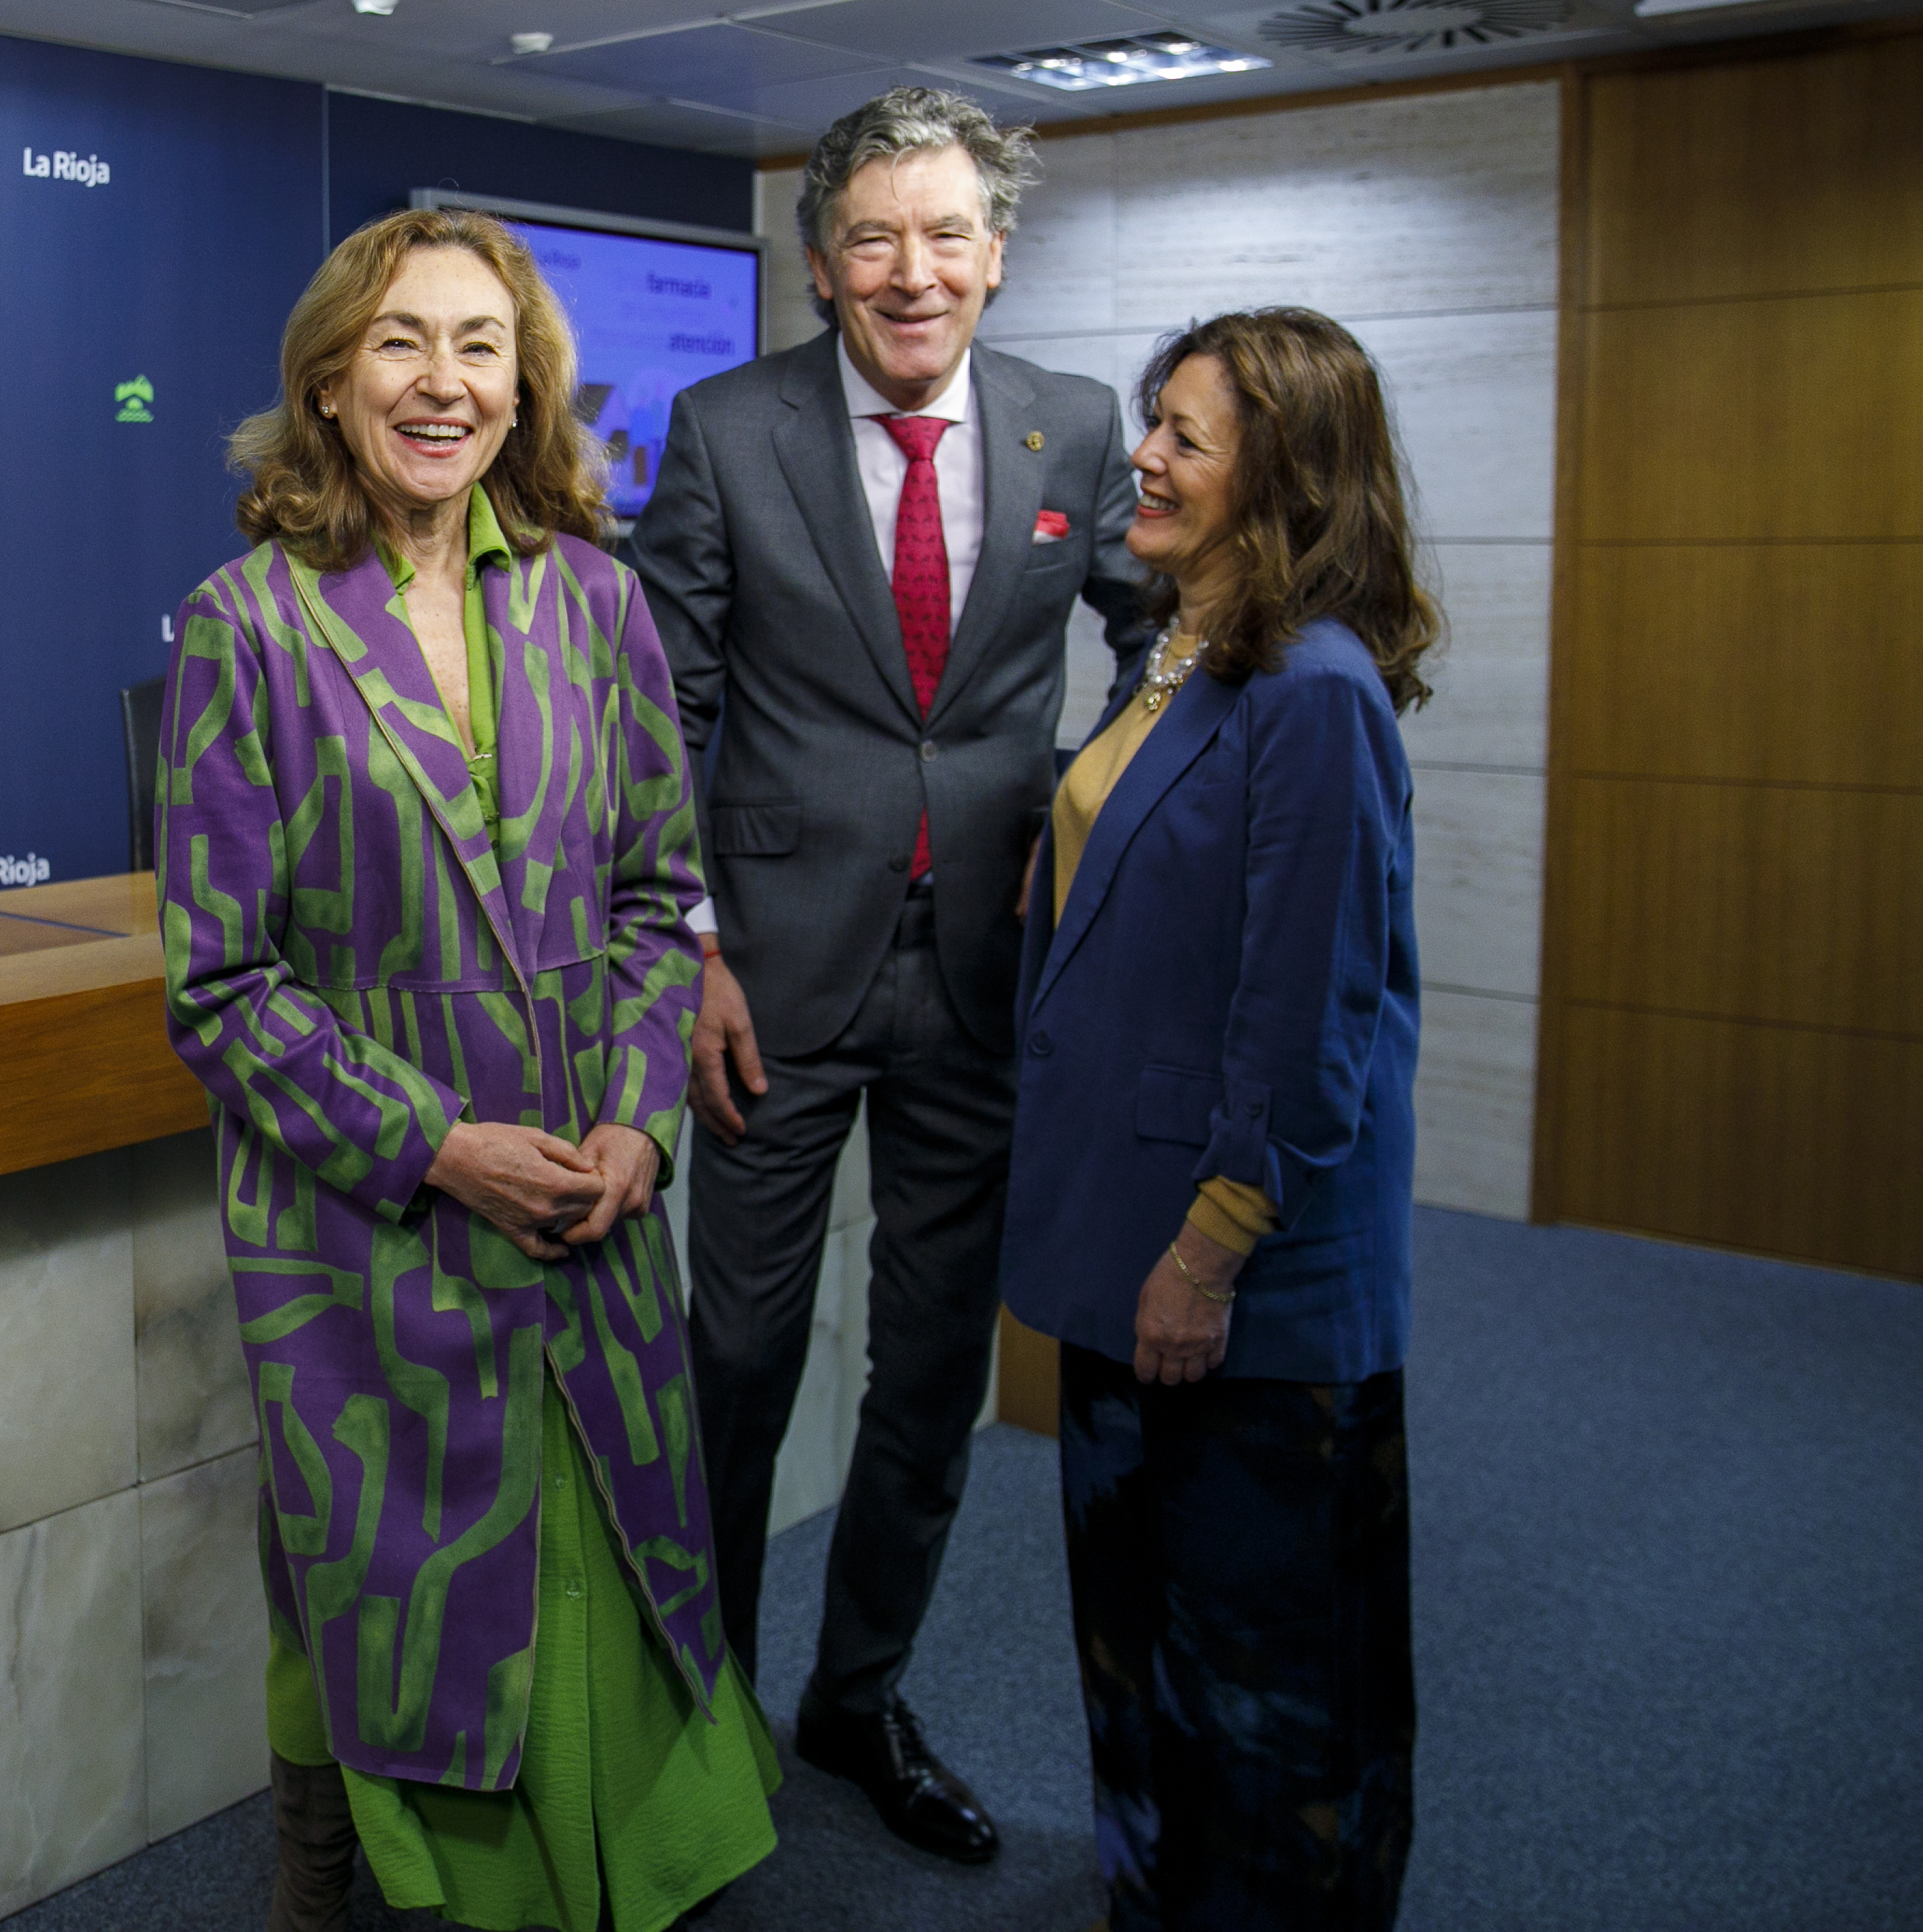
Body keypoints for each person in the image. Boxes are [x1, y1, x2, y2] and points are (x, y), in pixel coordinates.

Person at [158, 207, 774, 1932]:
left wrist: (642, 1119)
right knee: (402, 1600)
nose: (443, 382)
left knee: (609, 1574)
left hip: (591, 1206)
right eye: (403, 344)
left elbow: (662, 901)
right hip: (371, 1233)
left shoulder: (599, 602)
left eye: (480, 346)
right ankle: (352, 1881)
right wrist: (440, 1147)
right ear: (332, 386)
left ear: (527, 387)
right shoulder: (251, 631)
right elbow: (220, 986)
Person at [629, 84, 1150, 1864]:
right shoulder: (724, 429)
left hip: (991, 983)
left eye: (946, 236)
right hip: (769, 981)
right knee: (740, 1363)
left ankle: (859, 1697)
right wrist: (688, 941)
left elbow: (1162, 653)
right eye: (873, 236)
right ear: (822, 262)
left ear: (999, 257)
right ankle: (700, 1717)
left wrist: (1097, 843)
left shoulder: (1080, 432)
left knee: (932, 1375)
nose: (911, 272)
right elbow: (663, 718)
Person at [1002, 308, 1431, 1931]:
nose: (1148, 459)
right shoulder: (1183, 647)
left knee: (1270, 1711)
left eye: (1187, 436)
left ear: (1287, 480)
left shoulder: (1315, 694)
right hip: (1130, 1244)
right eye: (1152, 422)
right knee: (1142, 1659)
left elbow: (1309, 1022)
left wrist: (1209, 1251)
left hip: (1241, 1294)